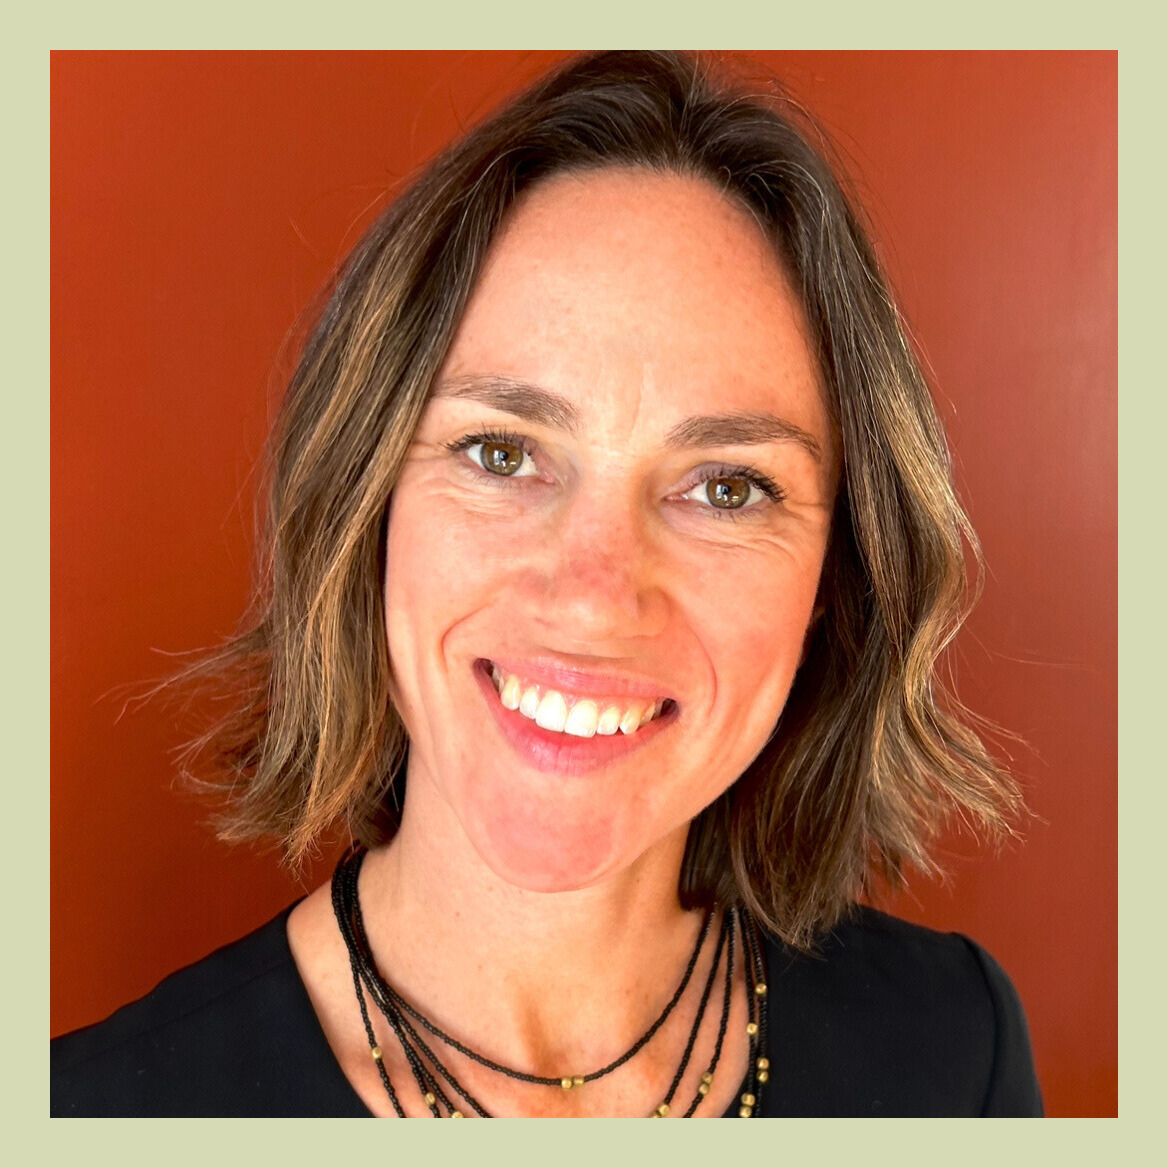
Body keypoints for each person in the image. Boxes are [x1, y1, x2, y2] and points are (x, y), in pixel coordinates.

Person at [50, 50, 1043, 1117]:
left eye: (726, 487)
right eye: (501, 453)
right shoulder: (95, 1113)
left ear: (832, 585)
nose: (593, 594)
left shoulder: (955, 1051)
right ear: (365, 506)